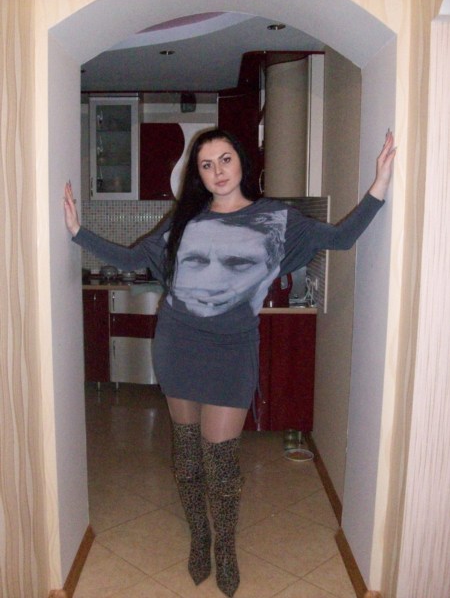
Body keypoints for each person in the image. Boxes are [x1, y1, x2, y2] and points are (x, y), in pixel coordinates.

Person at [64, 128, 396, 597]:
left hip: (232, 349)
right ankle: (200, 535)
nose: (217, 171)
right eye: (206, 165)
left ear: (241, 162)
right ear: (197, 175)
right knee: (186, 457)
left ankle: (225, 548)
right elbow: (135, 257)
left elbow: (341, 238)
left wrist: (379, 185)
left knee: (221, 462)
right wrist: (77, 232)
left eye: (224, 159)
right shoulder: (185, 220)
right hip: (178, 343)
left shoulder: (276, 219)